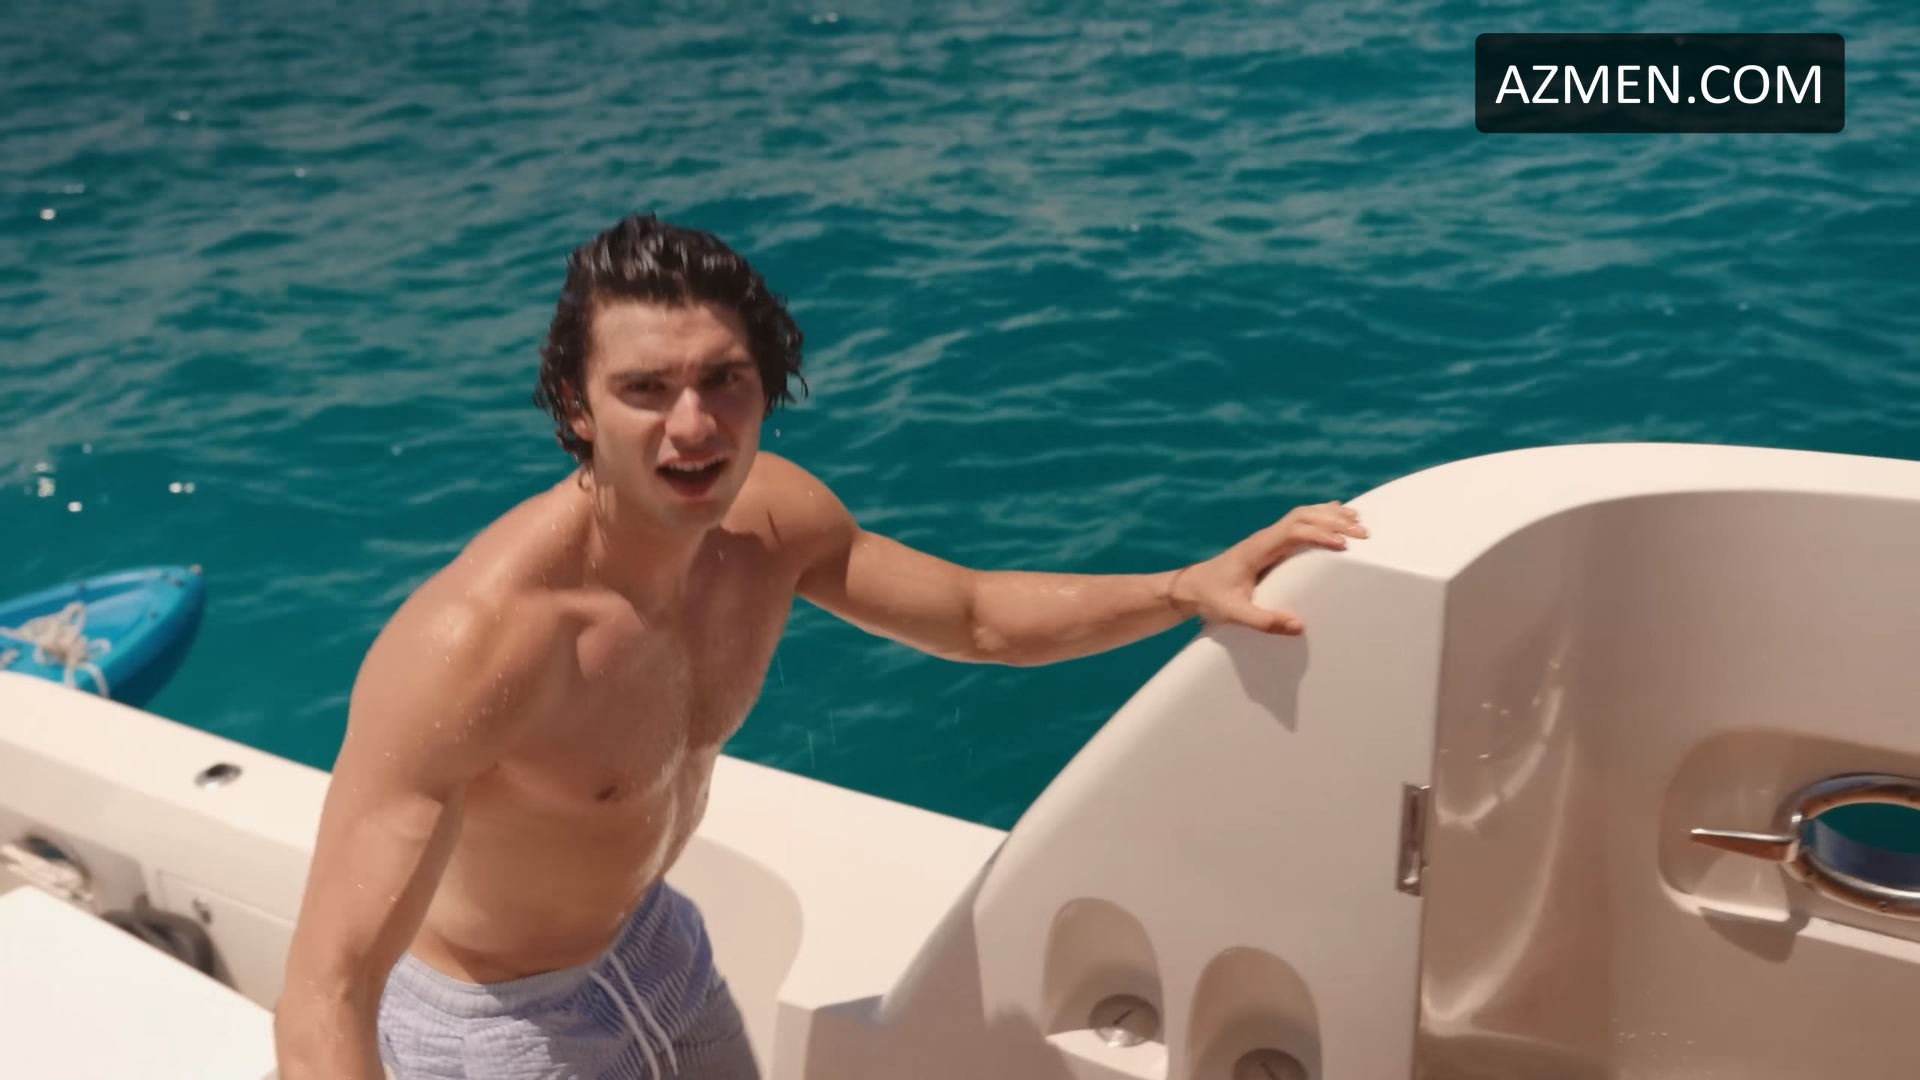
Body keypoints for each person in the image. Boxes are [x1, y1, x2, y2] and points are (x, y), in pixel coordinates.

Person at [272, 213, 1367, 1080]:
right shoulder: (483, 643)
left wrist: (1183, 589)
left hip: (657, 950)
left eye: (723, 379)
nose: (693, 426)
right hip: (497, 1031)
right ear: (577, 405)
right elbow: (327, 990)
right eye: (645, 389)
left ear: (767, 381)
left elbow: (975, 615)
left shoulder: (771, 525)